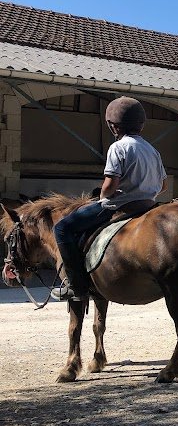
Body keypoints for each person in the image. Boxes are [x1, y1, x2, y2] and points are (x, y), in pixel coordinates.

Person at [51, 97, 167, 301]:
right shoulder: (152, 150)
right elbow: (164, 185)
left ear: (113, 126)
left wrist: (102, 196)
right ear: (141, 124)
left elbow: (110, 185)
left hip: (120, 205)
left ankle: (76, 286)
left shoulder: (118, 147)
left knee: (62, 228)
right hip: (148, 205)